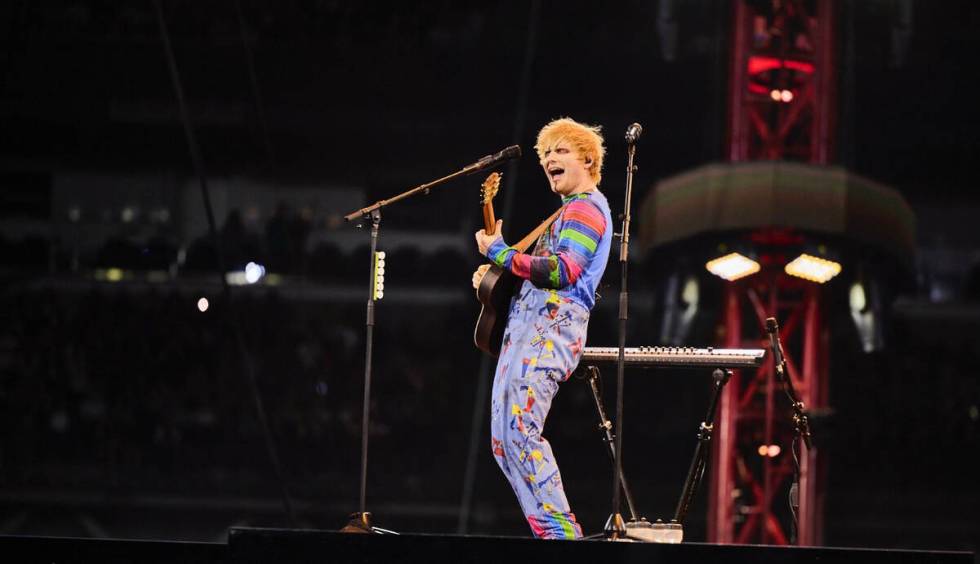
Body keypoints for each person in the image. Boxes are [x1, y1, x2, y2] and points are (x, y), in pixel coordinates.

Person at [473, 117, 613, 539]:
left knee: (519, 431)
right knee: (503, 440)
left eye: (560, 151)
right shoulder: (566, 212)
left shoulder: (587, 208)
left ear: (587, 159)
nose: (549, 158)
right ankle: (549, 532)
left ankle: (560, 534)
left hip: (551, 329)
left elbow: (563, 271)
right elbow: (536, 272)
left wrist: (499, 252)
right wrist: (494, 279)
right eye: (545, 154)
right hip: (529, 328)